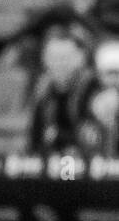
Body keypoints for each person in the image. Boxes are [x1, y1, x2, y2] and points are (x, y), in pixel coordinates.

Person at [29, 24, 100, 155]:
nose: (59, 64)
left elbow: (95, 138)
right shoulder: (43, 90)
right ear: (44, 59)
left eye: (65, 58)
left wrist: (57, 136)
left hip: (91, 166)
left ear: (81, 58)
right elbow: (36, 140)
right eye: (53, 58)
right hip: (54, 165)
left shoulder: (94, 87)